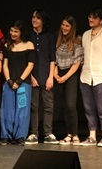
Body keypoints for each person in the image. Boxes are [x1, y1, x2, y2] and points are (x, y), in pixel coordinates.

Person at [79, 7, 102, 147]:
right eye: (89, 17)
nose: (90, 20)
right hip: (86, 76)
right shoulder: (85, 35)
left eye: (94, 17)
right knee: (88, 107)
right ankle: (92, 136)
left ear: (101, 20)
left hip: (101, 76)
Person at [25, 9, 59, 145]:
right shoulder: (28, 36)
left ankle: (48, 133)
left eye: (38, 18)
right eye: (33, 17)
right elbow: (26, 59)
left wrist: (51, 76)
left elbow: (52, 58)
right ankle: (33, 133)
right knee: (33, 106)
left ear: (43, 21)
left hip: (46, 75)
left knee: (48, 106)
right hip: (32, 76)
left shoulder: (50, 37)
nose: (34, 20)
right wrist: (31, 76)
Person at [0, 20, 35, 145]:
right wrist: (9, 80)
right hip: (9, 82)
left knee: (22, 110)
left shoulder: (29, 45)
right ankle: (6, 136)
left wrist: (20, 80)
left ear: (21, 32)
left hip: (23, 83)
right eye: (11, 31)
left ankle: (20, 136)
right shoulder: (7, 46)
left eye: (16, 31)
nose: (13, 33)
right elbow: (5, 65)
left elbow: (30, 65)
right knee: (7, 109)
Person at [54, 15, 84, 145]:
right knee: (64, 106)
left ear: (72, 28)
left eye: (67, 26)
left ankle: (75, 134)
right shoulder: (59, 40)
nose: (64, 28)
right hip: (59, 73)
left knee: (71, 105)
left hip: (71, 74)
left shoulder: (77, 40)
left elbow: (77, 62)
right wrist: (55, 74)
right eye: (63, 25)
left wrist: (66, 77)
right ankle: (68, 134)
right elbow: (54, 59)